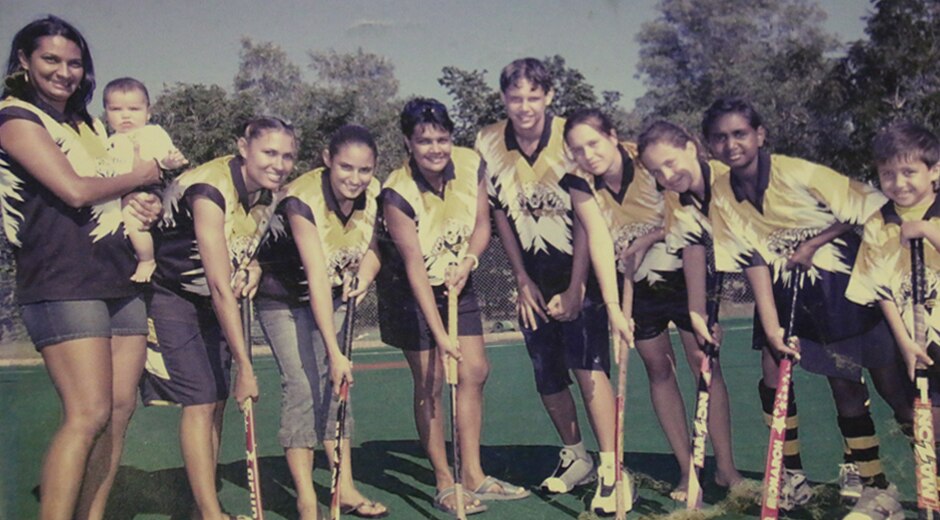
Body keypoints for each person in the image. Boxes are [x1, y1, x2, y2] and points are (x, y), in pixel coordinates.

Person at [704, 97, 912, 517]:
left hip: (855, 288)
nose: (731, 144)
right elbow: (753, 261)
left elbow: (869, 204)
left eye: (740, 134)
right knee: (844, 389)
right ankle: (878, 490)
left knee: (897, 393)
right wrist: (772, 324)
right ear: (710, 145)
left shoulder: (798, 172)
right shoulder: (722, 195)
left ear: (760, 135)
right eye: (720, 138)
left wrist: (815, 242)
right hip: (802, 298)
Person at [0, 15, 161, 520]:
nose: (64, 72)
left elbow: (118, 190)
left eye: (74, 63)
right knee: (87, 413)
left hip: (120, 276)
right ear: (24, 61)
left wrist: (145, 199)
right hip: (62, 282)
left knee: (118, 412)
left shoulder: (90, 125)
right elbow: (72, 189)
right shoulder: (15, 118)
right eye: (51, 59)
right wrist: (144, 172)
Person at [474, 59, 633, 513]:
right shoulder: (487, 140)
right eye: (515, 98)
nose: (524, 107)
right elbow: (500, 210)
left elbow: (588, 215)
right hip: (533, 276)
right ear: (504, 98)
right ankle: (576, 454)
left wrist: (579, 285)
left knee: (587, 368)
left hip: (579, 267)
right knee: (547, 372)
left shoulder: (569, 138)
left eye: (534, 97)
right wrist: (521, 278)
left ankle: (611, 469)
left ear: (549, 96)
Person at [563, 111, 743, 506]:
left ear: (612, 135)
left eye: (593, 143)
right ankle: (686, 467)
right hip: (635, 285)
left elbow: (685, 216)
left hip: (685, 270)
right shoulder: (581, 182)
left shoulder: (648, 162)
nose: (587, 154)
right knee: (658, 367)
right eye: (577, 149)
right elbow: (596, 237)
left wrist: (648, 238)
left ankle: (726, 467)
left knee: (703, 361)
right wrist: (612, 307)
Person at [377, 97, 528, 515]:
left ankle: (474, 474)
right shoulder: (397, 192)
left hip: (457, 279)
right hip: (409, 291)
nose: (435, 149)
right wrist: (441, 336)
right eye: (424, 142)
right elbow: (412, 268)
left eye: (442, 139)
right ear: (408, 142)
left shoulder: (470, 163)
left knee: (475, 371)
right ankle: (445, 481)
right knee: (431, 382)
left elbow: (481, 226)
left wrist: (470, 261)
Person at [139, 116, 295, 520]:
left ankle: (200, 509)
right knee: (199, 400)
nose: (279, 163)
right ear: (244, 147)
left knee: (218, 401)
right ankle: (210, 515)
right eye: (270, 153)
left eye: (288, 156)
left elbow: (241, 247)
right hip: (173, 297)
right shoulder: (210, 189)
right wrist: (246, 365)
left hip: (212, 301)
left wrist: (255, 266)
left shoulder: (266, 193)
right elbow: (218, 281)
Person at [255, 125, 387, 519]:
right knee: (302, 386)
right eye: (346, 167)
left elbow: (376, 245)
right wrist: (334, 351)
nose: (355, 178)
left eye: (364, 170)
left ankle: (343, 487)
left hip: (334, 293)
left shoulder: (374, 191)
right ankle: (307, 499)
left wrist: (365, 274)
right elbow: (314, 273)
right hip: (283, 299)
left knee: (335, 386)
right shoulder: (301, 199)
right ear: (327, 159)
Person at [846, 121, 940, 515]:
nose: (898, 182)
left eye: (909, 171)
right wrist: (904, 342)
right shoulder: (878, 222)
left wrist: (927, 231)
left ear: (934, 170)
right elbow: (879, 290)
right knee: (930, 431)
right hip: (920, 343)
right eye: (888, 173)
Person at [103, 76, 188, 283]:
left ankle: (146, 259)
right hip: (118, 190)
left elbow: (164, 158)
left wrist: (171, 160)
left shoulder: (152, 133)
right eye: (116, 110)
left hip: (146, 188)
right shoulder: (109, 141)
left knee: (132, 216)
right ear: (106, 114)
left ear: (148, 113)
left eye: (134, 109)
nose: (125, 116)